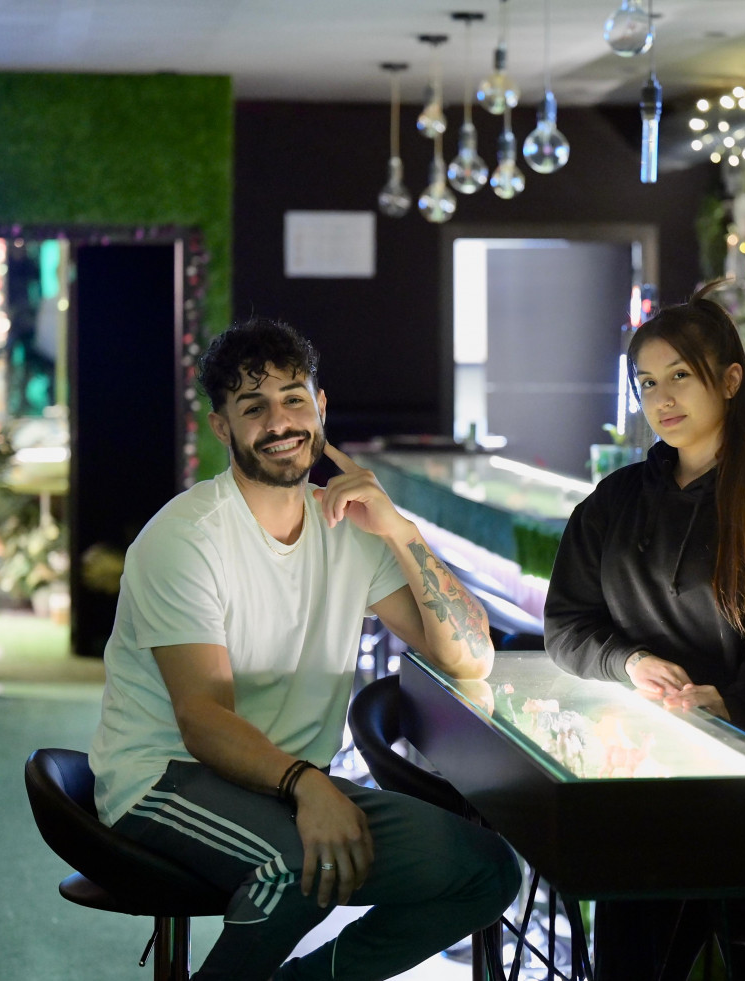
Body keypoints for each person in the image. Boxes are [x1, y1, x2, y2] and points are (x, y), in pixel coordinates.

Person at [89, 316, 521, 981]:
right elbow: (202, 718)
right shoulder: (186, 537)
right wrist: (308, 783)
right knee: (296, 863)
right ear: (222, 428)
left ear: (320, 407)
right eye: (252, 406)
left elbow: (469, 657)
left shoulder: (348, 527)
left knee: (483, 870)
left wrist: (401, 530)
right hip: (164, 777)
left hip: (287, 788)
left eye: (294, 397)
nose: (279, 419)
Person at [543, 282, 745, 981]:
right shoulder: (613, 501)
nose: (662, 398)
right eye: (646, 382)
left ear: (729, 379)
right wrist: (628, 661)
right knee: (630, 954)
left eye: (679, 375)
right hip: (647, 776)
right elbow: (565, 625)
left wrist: (722, 703)